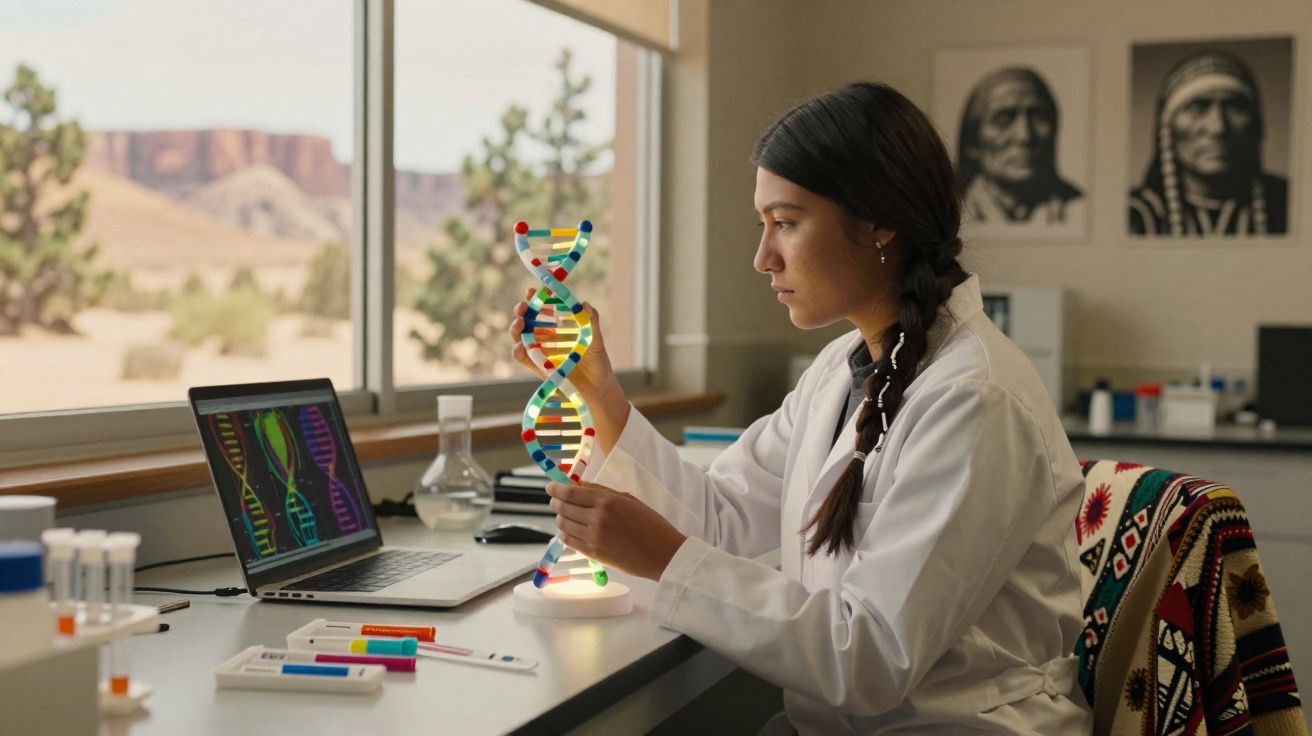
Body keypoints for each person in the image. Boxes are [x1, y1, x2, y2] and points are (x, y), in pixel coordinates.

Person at [509, 82, 1092, 733]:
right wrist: (601, 389)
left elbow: (872, 656)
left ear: (878, 223)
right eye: (764, 225)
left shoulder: (975, 399)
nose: (763, 258)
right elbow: (722, 518)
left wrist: (667, 559)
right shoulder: (839, 373)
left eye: (785, 223)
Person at [1128, 50, 1288, 236]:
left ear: (1256, 124)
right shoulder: (1136, 215)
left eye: (1235, 107)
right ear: (1167, 128)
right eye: (1198, 107)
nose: (1218, 127)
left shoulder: (1290, 204)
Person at [956, 67, 1083, 226]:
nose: (1025, 136)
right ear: (972, 143)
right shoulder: (952, 212)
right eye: (1004, 119)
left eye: (1039, 116)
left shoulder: (1079, 207)